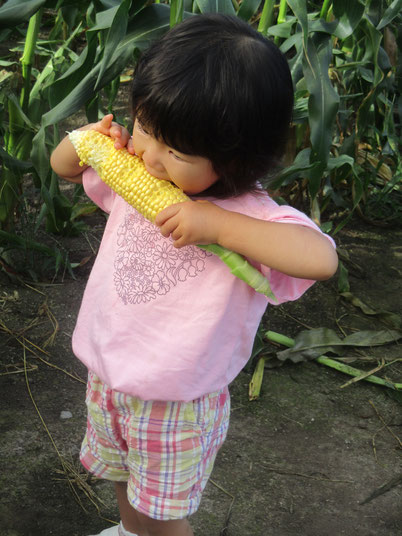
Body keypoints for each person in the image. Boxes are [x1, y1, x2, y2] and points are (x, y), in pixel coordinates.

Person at [50, 13, 338, 536]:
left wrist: (219, 225)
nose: (150, 157)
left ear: (234, 159)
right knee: (123, 483)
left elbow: (320, 259)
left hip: (176, 400)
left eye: (175, 151)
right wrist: (86, 140)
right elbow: (64, 166)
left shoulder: (252, 217)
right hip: (109, 376)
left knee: (164, 516)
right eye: (143, 127)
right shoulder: (135, 168)